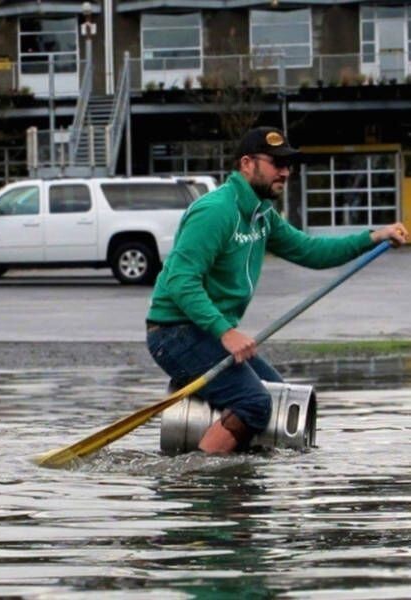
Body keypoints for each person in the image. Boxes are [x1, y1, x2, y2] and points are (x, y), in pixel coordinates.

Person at [146, 126, 408, 455]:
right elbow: (181, 281)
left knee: (277, 397)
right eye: (276, 163)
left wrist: (374, 236)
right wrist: (225, 332)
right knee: (254, 402)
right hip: (174, 333)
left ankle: (239, 484)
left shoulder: (263, 214)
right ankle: (198, 479)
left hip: (205, 332)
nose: (285, 171)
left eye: (288, 164)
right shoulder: (216, 211)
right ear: (246, 164)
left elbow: (312, 252)